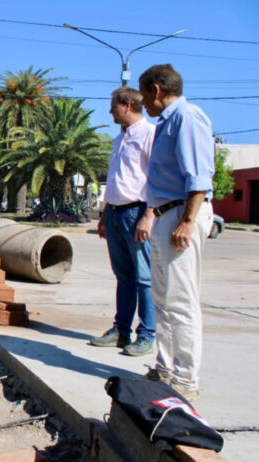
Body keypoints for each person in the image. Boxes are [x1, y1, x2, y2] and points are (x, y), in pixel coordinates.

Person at [138, 64, 215, 401]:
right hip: (166, 214)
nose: (143, 103)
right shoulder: (167, 123)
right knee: (163, 299)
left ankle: (185, 377)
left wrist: (187, 220)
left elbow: (198, 175)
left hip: (183, 214)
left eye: (143, 96)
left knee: (181, 301)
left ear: (156, 89)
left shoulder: (187, 117)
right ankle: (166, 367)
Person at [90, 87, 156, 357]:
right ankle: (121, 330)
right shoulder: (120, 139)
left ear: (127, 105)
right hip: (116, 213)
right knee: (123, 276)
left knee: (144, 277)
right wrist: (105, 215)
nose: (110, 111)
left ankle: (147, 334)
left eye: (113, 105)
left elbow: (155, 180)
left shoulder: (149, 135)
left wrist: (149, 216)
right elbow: (116, 180)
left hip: (137, 212)